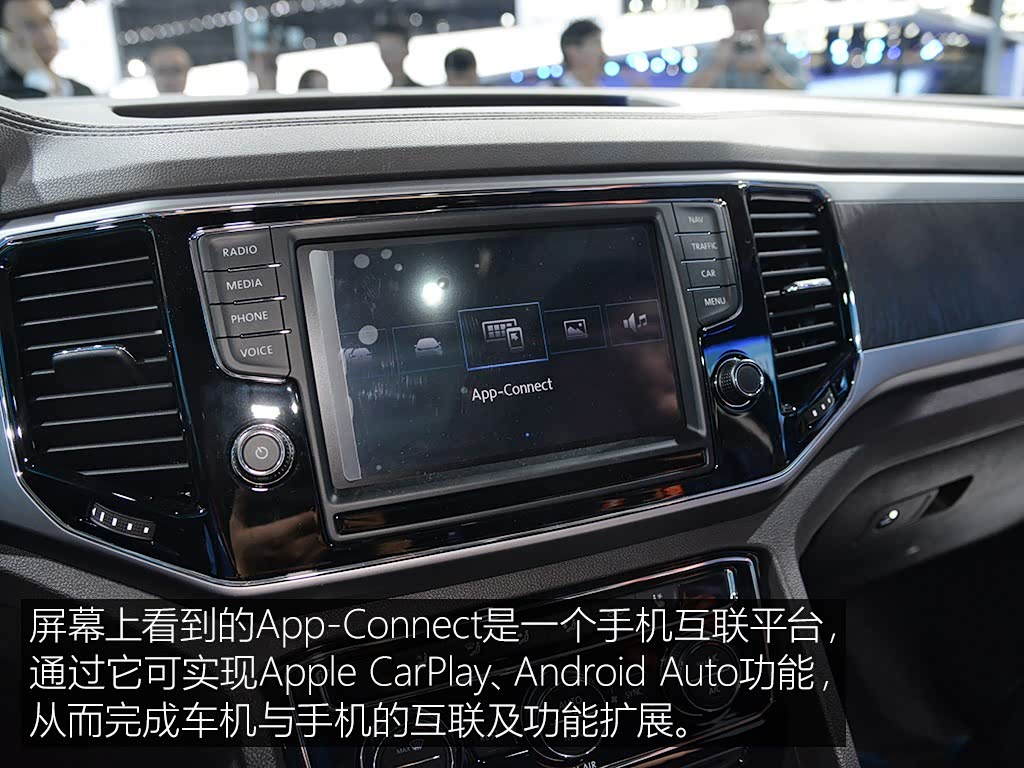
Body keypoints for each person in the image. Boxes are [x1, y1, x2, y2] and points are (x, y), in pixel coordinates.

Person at [688, 0, 808, 90]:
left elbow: (800, 95)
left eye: (752, 12)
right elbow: (689, 93)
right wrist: (718, 66)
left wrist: (766, 69)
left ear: (766, 13)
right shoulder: (712, 56)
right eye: (739, 10)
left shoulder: (783, 57)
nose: (745, 17)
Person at [0, 0, 92, 98]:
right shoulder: (5, 96)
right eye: (30, 26)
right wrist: (36, 76)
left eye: (48, 21)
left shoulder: (83, 92)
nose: (45, 34)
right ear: (5, 38)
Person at [558, 19, 605, 88]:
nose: (602, 53)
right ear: (572, 51)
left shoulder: (604, 91)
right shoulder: (551, 92)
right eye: (595, 43)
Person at [374, 22, 420, 87]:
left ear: (406, 49)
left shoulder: (422, 92)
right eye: (385, 51)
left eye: (394, 50)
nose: (389, 58)